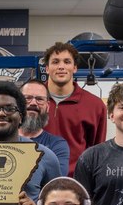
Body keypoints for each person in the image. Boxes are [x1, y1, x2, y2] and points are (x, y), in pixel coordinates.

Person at [41, 41, 107, 177]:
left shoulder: (95, 105)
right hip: (35, 181)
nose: (61, 67)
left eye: (67, 62)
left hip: (76, 181)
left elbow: (96, 152)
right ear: (47, 68)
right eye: (55, 62)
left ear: (75, 68)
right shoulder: (30, 101)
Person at [18, 78, 70, 176]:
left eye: (39, 99)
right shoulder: (3, 139)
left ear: (48, 106)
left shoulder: (57, 145)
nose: (33, 103)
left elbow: (56, 183)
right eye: (27, 98)